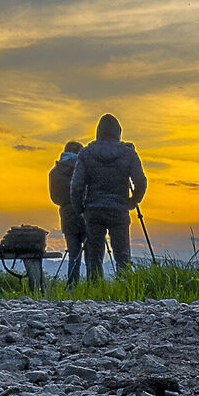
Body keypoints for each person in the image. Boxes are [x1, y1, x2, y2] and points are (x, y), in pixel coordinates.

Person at [75, 114, 147, 283]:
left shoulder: (85, 153)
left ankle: (95, 290)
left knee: (94, 254)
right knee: (122, 253)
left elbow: (76, 186)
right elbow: (141, 181)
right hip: (119, 209)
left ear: (98, 132)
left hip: (93, 209)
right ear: (118, 132)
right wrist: (132, 202)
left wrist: (80, 209)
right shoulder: (129, 154)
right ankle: (124, 288)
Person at [48, 139, 84, 283]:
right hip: (86, 214)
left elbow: (55, 198)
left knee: (73, 256)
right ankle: (94, 287)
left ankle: (72, 287)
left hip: (67, 216)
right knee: (92, 255)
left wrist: (66, 203)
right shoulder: (84, 168)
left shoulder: (55, 172)